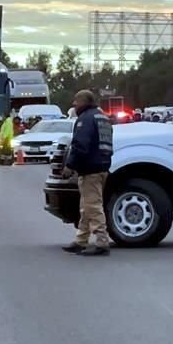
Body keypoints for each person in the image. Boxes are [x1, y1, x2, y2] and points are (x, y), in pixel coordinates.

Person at [62, 90, 114, 256]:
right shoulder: (103, 118)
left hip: (90, 169)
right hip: (103, 166)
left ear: (84, 101)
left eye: (76, 101)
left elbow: (80, 145)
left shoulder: (85, 119)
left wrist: (69, 166)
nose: (74, 104)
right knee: (86, 206)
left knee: (93, 205)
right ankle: (81, 240)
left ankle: (101, 241)